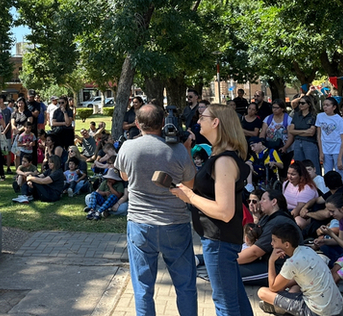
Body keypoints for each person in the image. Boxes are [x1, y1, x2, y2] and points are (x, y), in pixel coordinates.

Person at [170, 104, 253, 315]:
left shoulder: (224, 161)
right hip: (220, 240)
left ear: (216, 122)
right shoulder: (221, 157)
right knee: (237, 301)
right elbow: (194, 184)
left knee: (225, 304)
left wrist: (190, 197)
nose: (198, 121)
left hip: (219, 240)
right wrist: (187, 149)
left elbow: (224, 212)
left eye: (203, 117)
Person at [116, 104, 198, 316]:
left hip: (140, 224)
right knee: (185, 285)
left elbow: (124, 176)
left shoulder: (127, 147)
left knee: (143, 287)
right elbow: (190, 185)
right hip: (175, 223)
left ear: (137, 124)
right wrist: (187, 148)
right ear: (163, 123)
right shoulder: (178, 149)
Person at [257, 223, 343, 316]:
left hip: (317, 312)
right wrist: (282, 286)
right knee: (295, 286)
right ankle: (284, 307)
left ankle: (282, 309)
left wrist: (271, 261)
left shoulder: (292, 263)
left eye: (274, 241)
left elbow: (273, 288)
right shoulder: (306, 249)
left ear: (286, 244)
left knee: (262, 292)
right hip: (336, 306)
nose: (271, 243)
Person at [237, 190, 303, 285]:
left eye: (263, 199)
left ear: (274, 202)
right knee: (227, 269)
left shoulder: (278, 221)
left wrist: (229, 260)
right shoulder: (268, 217)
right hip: (268, 262)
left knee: (228, 272)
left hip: (281, 268)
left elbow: (255, 252)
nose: (260, 202)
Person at [316, 97, 343, 182]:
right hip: (325, 148)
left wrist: (339, 158)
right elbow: (319, 136)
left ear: (334, 107)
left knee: (339, 172)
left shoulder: (339, 120)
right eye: (324, 105)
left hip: (338, 149)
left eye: (327, 105)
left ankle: (340, 192)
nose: (325, 107)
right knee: (327, 173)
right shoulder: (320, 116)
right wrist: (321, 152)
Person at [289, 95, 320, 174]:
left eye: (303, 103)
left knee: (312, 165)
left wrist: (298, 131)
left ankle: (317, 184)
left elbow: (311, 133)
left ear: (309, 104)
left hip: (309, 142)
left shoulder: (313, 116)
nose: (300, 105)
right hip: (297, 142)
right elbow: (291, 130)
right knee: (299, 166)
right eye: (299, 103)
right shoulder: (296, 115)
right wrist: (305, 131)